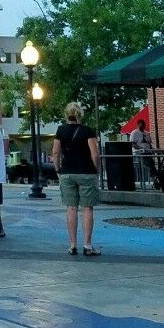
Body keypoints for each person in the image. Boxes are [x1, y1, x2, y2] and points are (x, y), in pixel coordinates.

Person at [52, 101, 101, 256]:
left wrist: (58, 170)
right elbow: (95, 154)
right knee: (87, 208)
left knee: (71, 208)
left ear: (67, 115)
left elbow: (55, 153)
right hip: (86, 172)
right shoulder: (87, 131)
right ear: (80, 115)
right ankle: (87, 245)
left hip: (67, 172)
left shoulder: (60, 130)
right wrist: (96, 169)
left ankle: (72, 245)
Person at [129, 118, 154, 183]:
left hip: (148, 152)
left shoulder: (147, 133)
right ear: (138, 125)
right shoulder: (134, 133)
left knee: (151, 164)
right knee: (145, 165)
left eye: (144, 125)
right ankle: (144, 180)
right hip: (139, 153)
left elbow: (149, 143)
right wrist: (141, 148)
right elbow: (133, 144)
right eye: (141, 125)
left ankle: (153, 177)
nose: (143, 126)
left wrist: (152, 149)